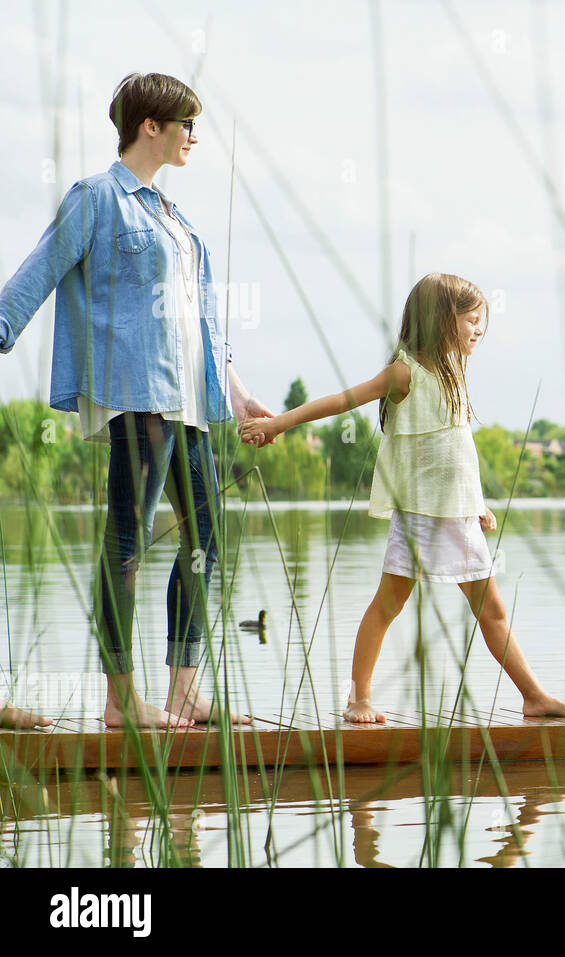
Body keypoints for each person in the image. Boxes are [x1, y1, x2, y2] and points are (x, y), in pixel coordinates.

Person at [0, 73, 276, 728]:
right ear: (149, 126)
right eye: (185, 123)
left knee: (206, 537)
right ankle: (121, 701)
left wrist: (235, 394)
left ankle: (183, 691)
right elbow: (40, 268)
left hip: (190, 398)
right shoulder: (97, 198)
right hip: (137, 393)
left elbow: (203, 319)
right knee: (126, 541)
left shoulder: (175, 217)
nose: (194, 136)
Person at [239, 273, 565, 723]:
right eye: (472, 321)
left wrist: (475, 501)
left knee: (492, 608)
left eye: (482, 321)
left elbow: (458, 445)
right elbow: (341, 401)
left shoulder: (454, 370)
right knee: (388, 604)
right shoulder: (406, 372)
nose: (479, 330)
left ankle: (534, 696)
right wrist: (279, 424)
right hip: (420, 514)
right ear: (442, 320)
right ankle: (358, 698)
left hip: (457, 514)